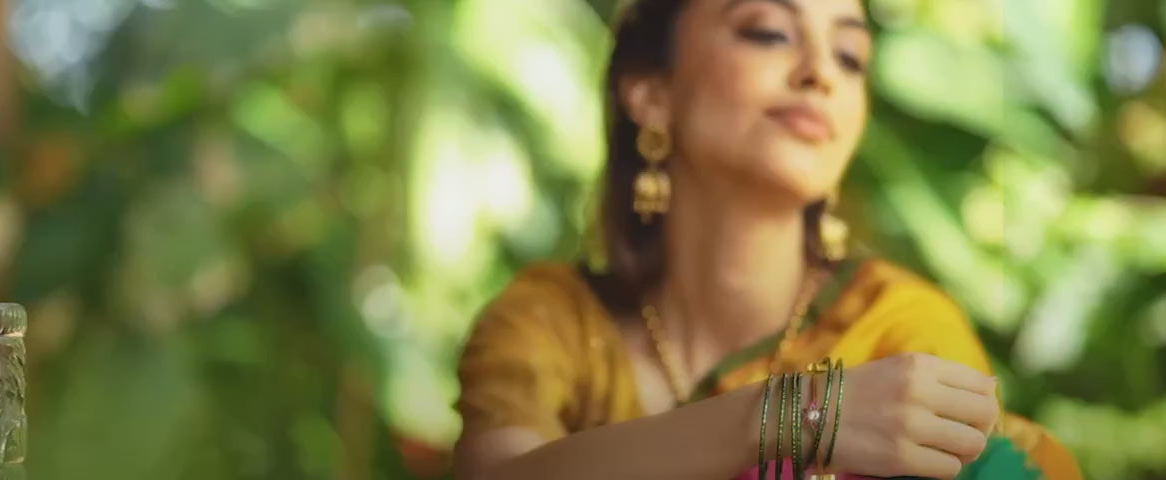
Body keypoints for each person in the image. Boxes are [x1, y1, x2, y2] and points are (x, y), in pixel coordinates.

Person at [451, 0, 1082, 479]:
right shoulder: (554, 322)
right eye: (770, 32)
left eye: (850, 56)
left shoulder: (896, 329)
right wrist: (788, 416)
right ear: (652, 93)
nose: (820, 74)